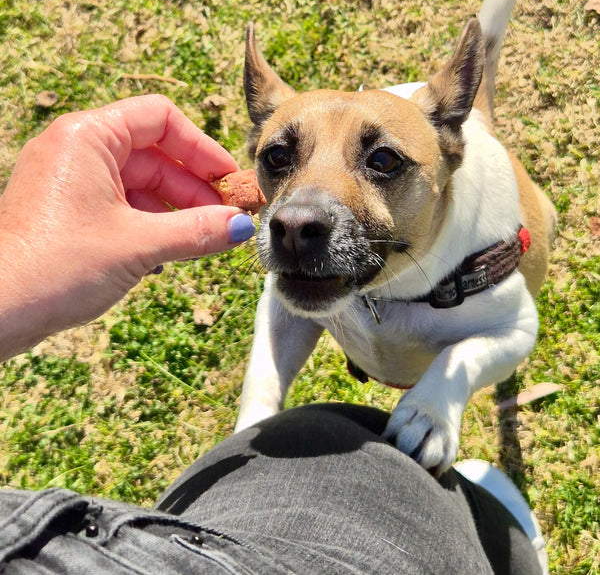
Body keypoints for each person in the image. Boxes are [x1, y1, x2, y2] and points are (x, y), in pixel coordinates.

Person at [0, 95, 547, 574]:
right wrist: (258, 410)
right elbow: (285, 308)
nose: (296, 215)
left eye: (381, 163)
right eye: (280, 160)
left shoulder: (476, 243)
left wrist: (17, 268)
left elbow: (517, 327)